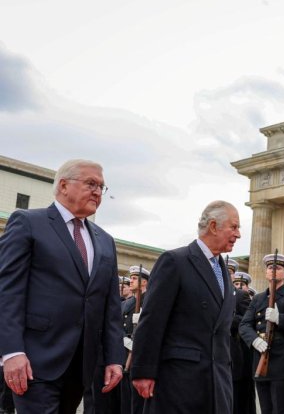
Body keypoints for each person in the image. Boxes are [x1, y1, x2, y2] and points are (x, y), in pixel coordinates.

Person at [0, 159, 123, 414]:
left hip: (81, 366)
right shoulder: (28, 222)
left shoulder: (105, 241)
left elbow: (110, 308)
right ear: (64, 185)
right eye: (91, 184)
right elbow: (7, 290)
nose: (98, 192)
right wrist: (10, 351)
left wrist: (113, 358)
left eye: (102, 187)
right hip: (34, 361)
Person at [130, 200, 241, 413]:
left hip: (217, 381)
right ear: (213, 226)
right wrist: (143, 371)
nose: (238, 234)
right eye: (234, 227)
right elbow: (153, 319)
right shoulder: (175, 261)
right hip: (180, 378)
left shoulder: (223, 271)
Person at [239, 253, 284, 414]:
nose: (274, 270)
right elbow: (245, 325)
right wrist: (254, 340)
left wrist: (280, 318)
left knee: (283, 409)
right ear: (266, 272)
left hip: (283, 360)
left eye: (278, 268)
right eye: (270, 267)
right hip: (261, 357)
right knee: (266, 409)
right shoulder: (258, 299)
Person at [119, 266, 150, 414]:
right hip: (126, 352)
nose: (130, 281)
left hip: (140, 354)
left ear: (144, 282)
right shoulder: (129, 303)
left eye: (134, 279)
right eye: (130, 278)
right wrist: (126, 341)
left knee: (138, 401)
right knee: (126, 398)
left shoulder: (149, 300)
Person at [231, 274, 255, 414]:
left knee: (240, 398)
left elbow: (246, 321)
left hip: (238, 351)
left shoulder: (240, 296)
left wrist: (226, 318)